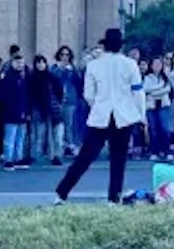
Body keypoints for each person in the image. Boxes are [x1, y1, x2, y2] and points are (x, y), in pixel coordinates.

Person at [55, 28, 144, 205]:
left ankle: (62, 192)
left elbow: (88, 94)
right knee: (118, 159)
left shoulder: (94, 65)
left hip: (100, 116)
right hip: (123, 115)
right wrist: (140, 115)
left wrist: (99, 106)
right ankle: (114, 197)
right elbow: (138, 92)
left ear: (104, 46)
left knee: (85, 157)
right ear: (120, 46)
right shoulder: (129, 64)